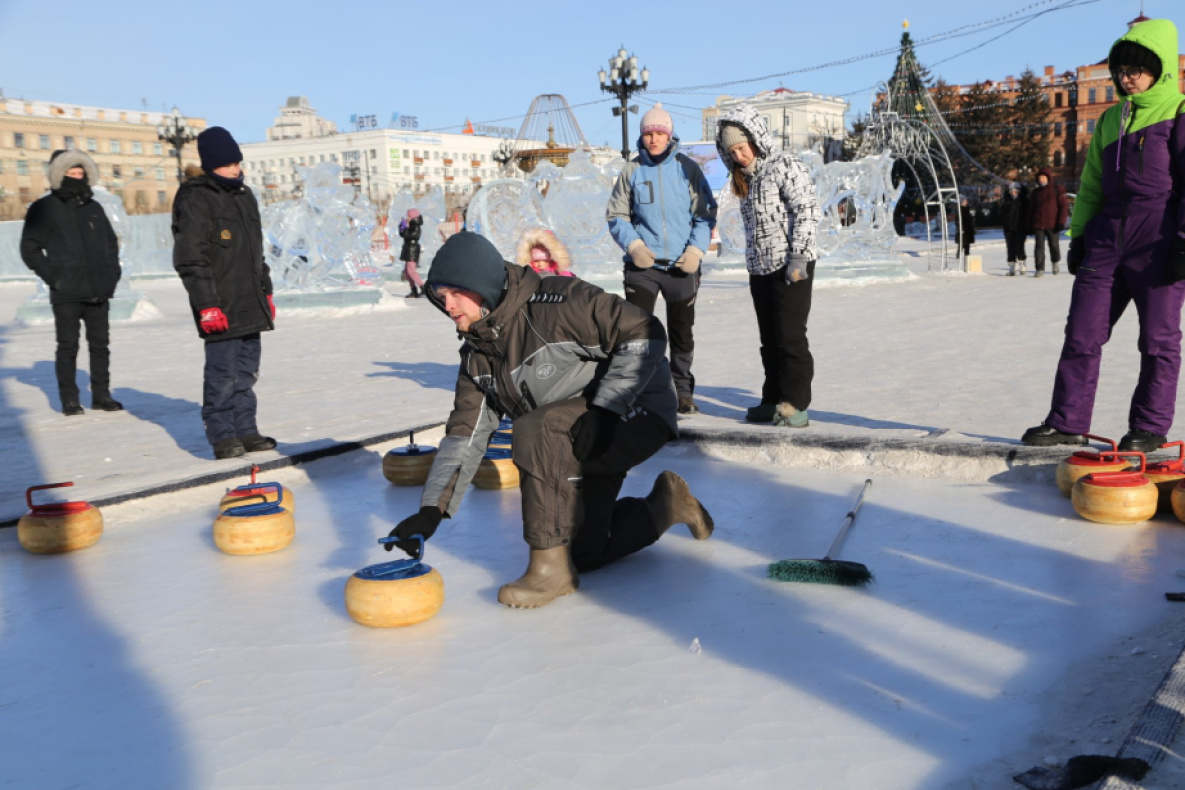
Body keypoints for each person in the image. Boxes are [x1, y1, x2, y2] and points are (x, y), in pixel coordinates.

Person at [383, 232, 714, 609]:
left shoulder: (556, 303)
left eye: (456, 292)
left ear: (484, 286)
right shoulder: (477, 355)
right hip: (573, 436)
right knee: (585, 552)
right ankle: (666, 505)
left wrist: (607, 408)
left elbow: (643, 330)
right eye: (440, 295)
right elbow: (465, 433)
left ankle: (548, 571)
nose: (448, 304)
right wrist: (432, 511)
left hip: (634, 413)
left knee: (535, 427)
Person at [1021, 18, 1185, 452]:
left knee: (1158, 340)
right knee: (1082, 332)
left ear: (1160, 68)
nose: (1126, 78)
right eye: (1121, 71)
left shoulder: (1179, 112)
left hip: (1159, 238)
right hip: (1107, 236)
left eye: (1135, 70)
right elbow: (1092, 182)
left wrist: (1183, 241)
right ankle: (1067, 421)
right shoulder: (1111, 119)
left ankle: (1149, 427)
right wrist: (1078, 237)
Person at [173, 126, 277, 460]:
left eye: (238, 162)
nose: (236, 168)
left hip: (249, 300)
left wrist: (266, 292)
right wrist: (207, 305)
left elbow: (254, 251)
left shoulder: (244, 195)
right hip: (220, 303)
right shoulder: (195, 197)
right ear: (211, 164)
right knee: (222, 374)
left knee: (246, 372)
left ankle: (246, 430)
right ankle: (222, 436)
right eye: (228, 163)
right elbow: (190, 257)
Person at [607, 103, 717, 415]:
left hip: (682, 267)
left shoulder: (687, 168)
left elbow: (705, 214)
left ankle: (682, 391)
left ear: (670, 135)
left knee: (682, 332)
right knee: (638, 334)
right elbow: (617, 215)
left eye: (659, 133)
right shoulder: (631, 170)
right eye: (648, 133)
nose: (654, 139)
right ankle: (640, 391)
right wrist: (635, 247)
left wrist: (696, 251)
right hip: (643, 268)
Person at [714, 105, 820, 428]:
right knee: (769, 339)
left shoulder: (784, 165)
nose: (739, 156)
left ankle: (795, 404)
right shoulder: (744, 179)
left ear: (755, 139)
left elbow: (806, 208)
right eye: (732, 151)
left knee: (790, 337)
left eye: (742, 147)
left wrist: (799, 256)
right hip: (760, 269)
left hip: (791, 266)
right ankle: (772, 400)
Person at [20, 149, 123, 417]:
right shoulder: (44, 208)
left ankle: (102, 395)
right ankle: (70, 400)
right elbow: (29, 248)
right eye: (71, 173)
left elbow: (111, 244)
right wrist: (55, 278)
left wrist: (112, 273)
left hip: (98, 290)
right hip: (67, 292)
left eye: (80, 173)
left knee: (100, 346)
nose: (77, 178)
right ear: (58, 175)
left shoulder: (95, 208)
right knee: (68, 347)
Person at [1027, 167, 1069, 277]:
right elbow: (1030, 209)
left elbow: (1063, 207)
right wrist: (1029, 224)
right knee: (1039, 247)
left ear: (1048, 178)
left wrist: (1061, 222)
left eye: (1043, 177)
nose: (1041, 179)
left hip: (1053, 224)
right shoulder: (1035, 192)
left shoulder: (1057, 189)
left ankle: (1055, 262)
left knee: (1054, 245)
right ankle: (1039, 268)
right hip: (1038, 223)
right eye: (1039, 177)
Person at [1001, 183, 1029, 276]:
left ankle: (1022, 263)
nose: (1013, 193)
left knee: (1019, 246)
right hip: (1009, 229)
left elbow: (1027, 215)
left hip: (1020, 228)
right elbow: (1003, 214)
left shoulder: (1024, 202)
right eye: (1011, 192)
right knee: (1010, 247)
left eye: (1015, 191)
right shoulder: (1007, 201)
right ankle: (1012, 265)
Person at [398, 208, 425, 298]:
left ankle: (423, 287)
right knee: (407, 272)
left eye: (409, 215)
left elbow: (409, 235)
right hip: (408, 248)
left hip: (412, 249)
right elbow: (403, 235)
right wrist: (402, 226)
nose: (407, 217)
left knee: (411, 271)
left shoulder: (416, 226)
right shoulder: (411, 225)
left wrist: (406, 227)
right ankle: (413, 290)